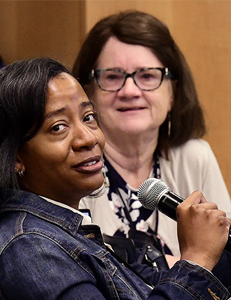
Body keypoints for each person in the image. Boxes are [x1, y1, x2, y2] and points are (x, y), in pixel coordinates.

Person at [0, 57, 231, 299]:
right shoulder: (30, 248)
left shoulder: (69, 231)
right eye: (59, 127)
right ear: (15, 156)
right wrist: (196, 259)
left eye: (88, 117)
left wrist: (213, 249)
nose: (89, 138)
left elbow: (149, 288)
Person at [72, 10, 231, 264]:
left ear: (173, 90)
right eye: (113, 77)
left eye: (147, 76)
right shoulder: (74, 166)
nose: (130, 91)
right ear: (87, 91)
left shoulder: (195, 157)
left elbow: (225, 259)